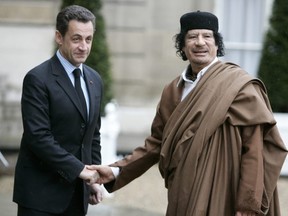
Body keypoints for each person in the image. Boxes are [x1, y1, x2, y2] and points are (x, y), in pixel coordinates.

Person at [89, 11, 288, 216]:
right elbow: (156, 143)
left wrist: (248, 203)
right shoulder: (172, 90)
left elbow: (254, 148)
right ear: (182, 46)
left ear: (217, 44)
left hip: (224, 192)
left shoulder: (239, 86)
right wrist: (115, 170)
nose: (200, 42)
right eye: (192, 37)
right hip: (182, 191)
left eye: (207, 36)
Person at [13, 5, 104, 216]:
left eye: (88, 39)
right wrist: (80, 170)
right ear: (59, 37)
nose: (84, 46)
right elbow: (38, 137)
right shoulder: (37, 79)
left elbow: (93, 135)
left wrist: (94, 178)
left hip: (77, 195)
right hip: (40, 196)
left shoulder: (94, 79)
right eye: (76, 39)